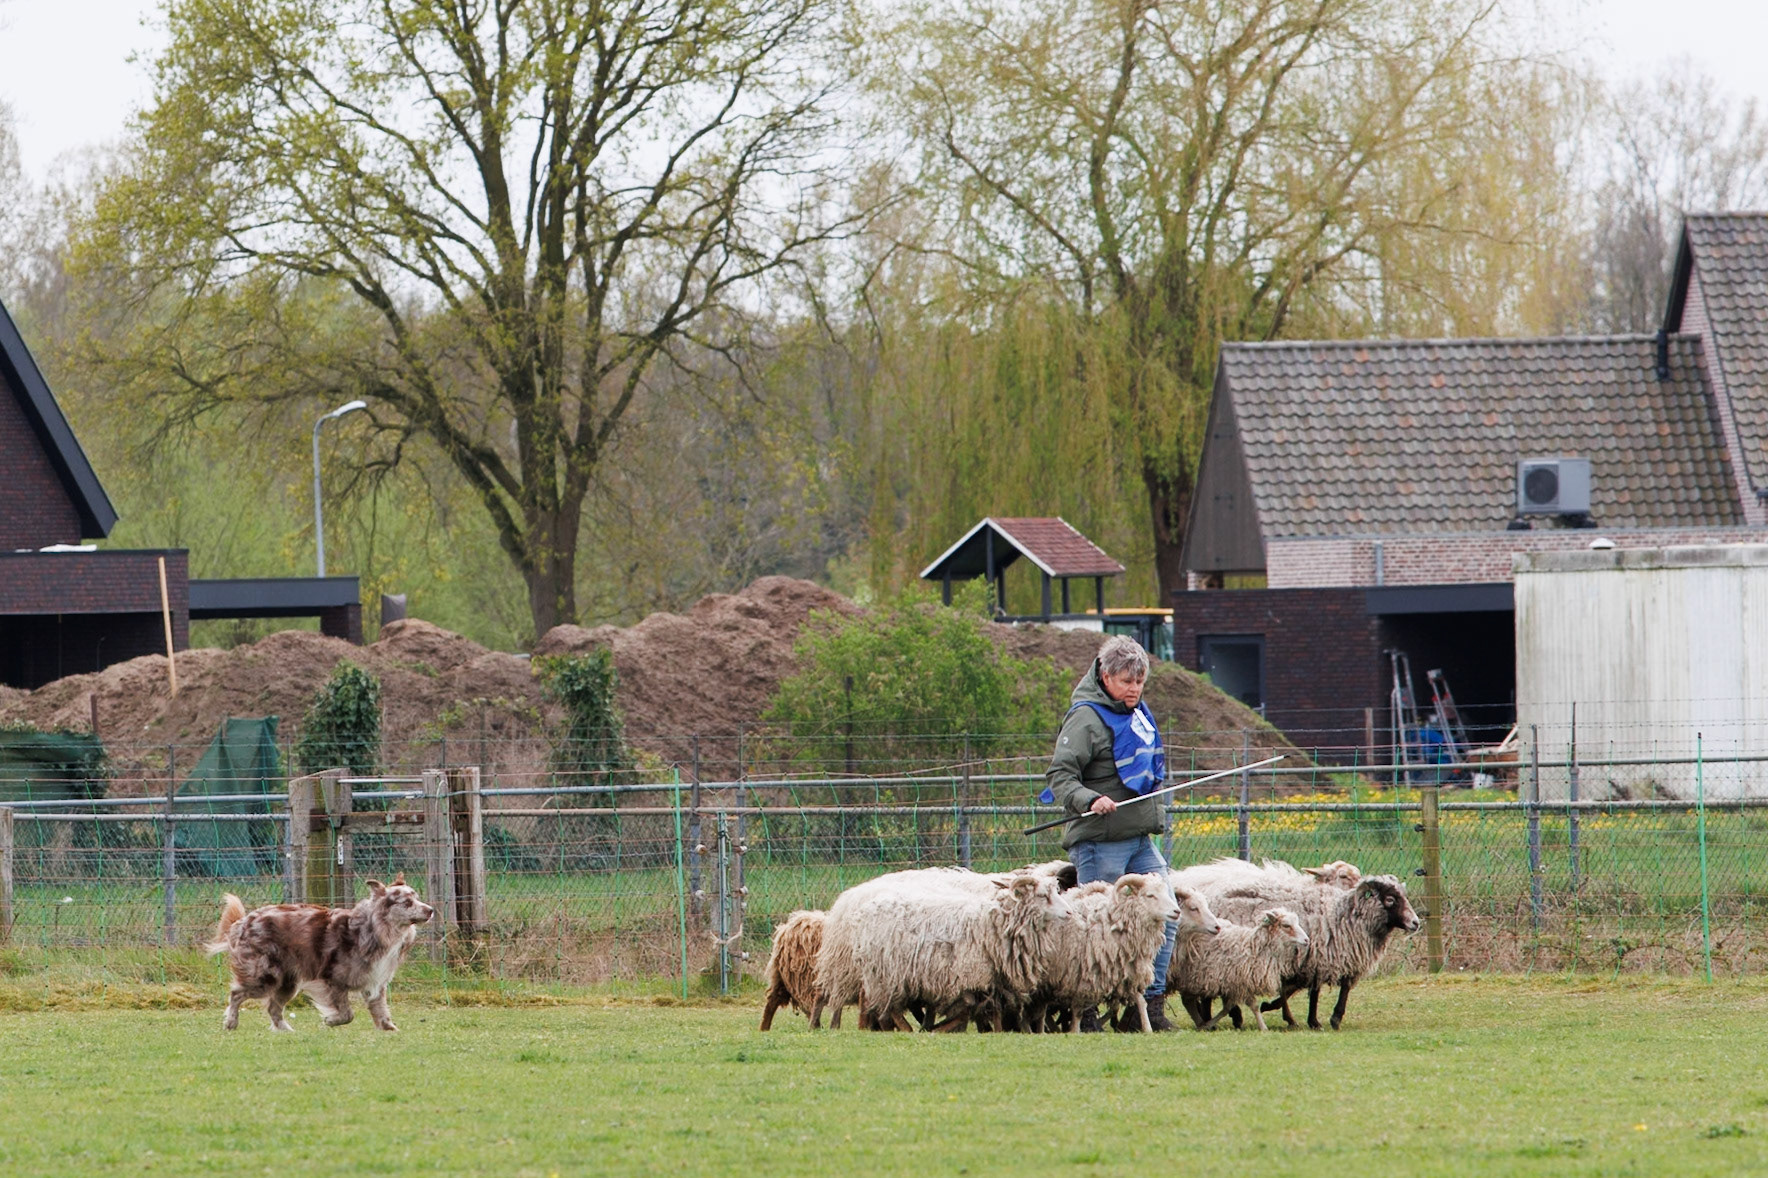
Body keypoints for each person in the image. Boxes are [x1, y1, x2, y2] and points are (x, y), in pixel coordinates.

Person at [1044, 634, 1176, 1031]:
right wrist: (1089, 799)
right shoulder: (1086, 718)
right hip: (1100, 842)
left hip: (1140, 839)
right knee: (1094, 930)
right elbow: (1060, 775)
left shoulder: (1137, 714)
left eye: (1140, 681)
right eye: (1126, 681)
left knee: (1166, 916)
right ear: (1105, 677)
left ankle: (1148, 1008)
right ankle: (1085, 1012)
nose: (1134, 689)